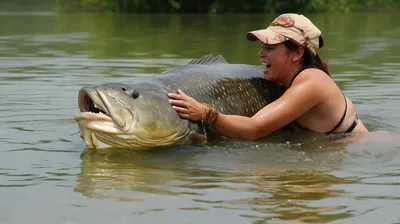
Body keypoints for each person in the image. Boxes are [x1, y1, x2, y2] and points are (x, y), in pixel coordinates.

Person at [167, 13, 369, 141]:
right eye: (262, 47)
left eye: (269, 48)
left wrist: (206, 113)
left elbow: (256, 129)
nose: (260, 54)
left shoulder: (312, 82)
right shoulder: (287, 81)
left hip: (359, 149)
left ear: (297, 53)